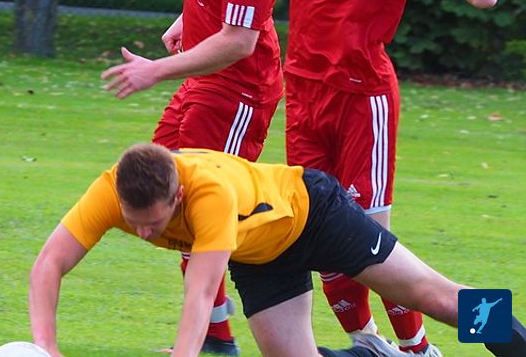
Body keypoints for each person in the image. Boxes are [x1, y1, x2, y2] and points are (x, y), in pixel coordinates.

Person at [284, 0, 498, 354]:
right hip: (304, 92)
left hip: (361, 99)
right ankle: (370, 344)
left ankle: (424, 349)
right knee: (321, 240)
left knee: (371, 249)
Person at [27, 143, 526, 357]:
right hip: (261, 256)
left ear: (176, 196)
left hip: (316, 214)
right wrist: (45, 345)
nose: (142, 233)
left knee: (434, 298)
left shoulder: (208, 194)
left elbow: (200, 293)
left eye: (152, 224)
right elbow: (50, 263)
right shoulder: (109, 191)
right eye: (132, 222)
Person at [101, 0, 284, 353]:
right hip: (206, 82)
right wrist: (187, 21)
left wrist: (156, 69)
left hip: (238, 92)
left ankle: (219, 336)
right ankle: (215, 336)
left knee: (201, 211)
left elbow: (240, 42)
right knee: (163, 195)